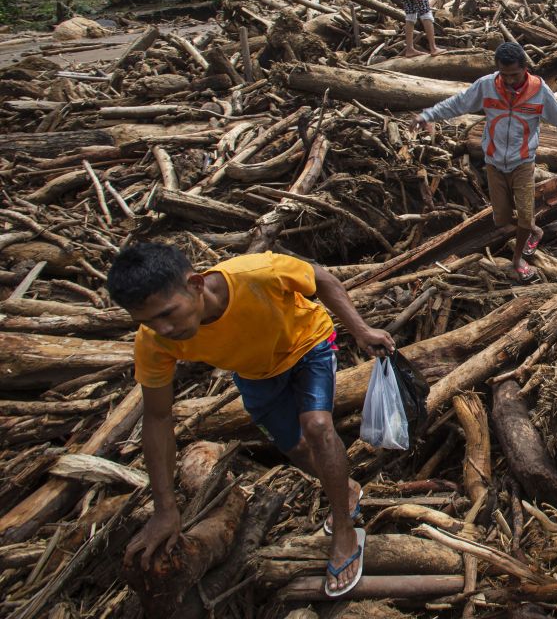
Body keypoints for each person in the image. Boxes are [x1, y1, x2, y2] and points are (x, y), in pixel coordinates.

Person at [108, 244, 397, 598]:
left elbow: (321, 279)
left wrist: (361, 329)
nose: (163, 328)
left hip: (307, 344)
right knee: (295, 448)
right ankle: (347, 489)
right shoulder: (154, 341)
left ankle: (345, 531)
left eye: (169, 313)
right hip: (255, 373)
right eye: (148, 321)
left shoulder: (255, 274)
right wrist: (165, 509)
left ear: (196, 284)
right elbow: (157, 417)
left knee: (318, 427)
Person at [415, 42, 557, 282]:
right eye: (504, 75)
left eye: (514, 75)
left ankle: (518, 259)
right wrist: (427, 115)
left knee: (525, 218)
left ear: (525, 68)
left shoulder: (540, 91)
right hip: (494, 162)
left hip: (523, 163)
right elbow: (457, 103)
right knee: (502, 220)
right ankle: (533, 230)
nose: (509, 81)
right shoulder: (487, 85)